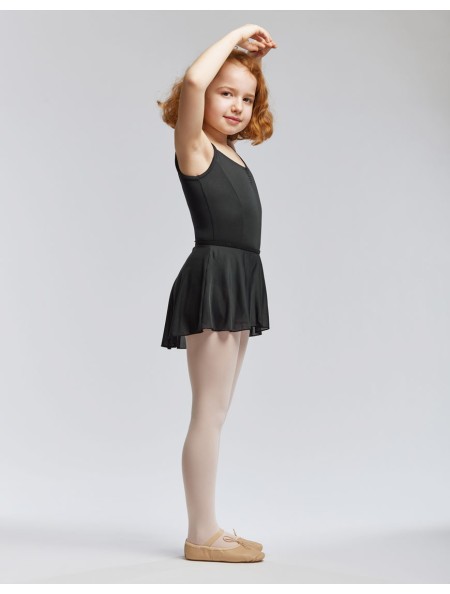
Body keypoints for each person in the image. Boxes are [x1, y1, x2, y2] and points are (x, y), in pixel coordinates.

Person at [156, 24, 277, 563]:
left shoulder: (231, 151)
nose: (236, 105)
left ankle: (211, 527)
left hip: (240, 275)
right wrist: (238, 36)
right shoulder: (195, 147)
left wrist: (249, 64)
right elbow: (193, 79)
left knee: (218, 410)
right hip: (215, 277)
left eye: (246, 98)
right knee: (207, 411)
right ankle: (201, 534)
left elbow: (219, 87)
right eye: (225, 93)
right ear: (202, 98)